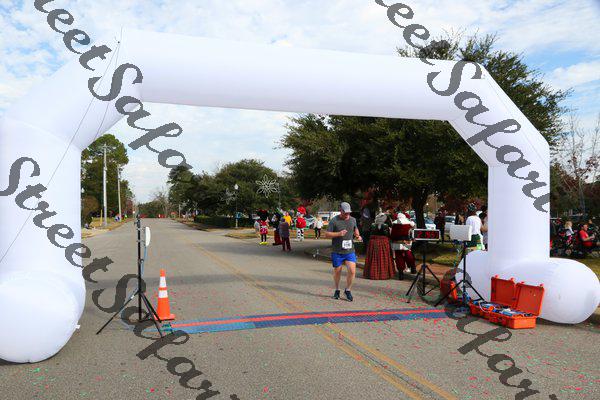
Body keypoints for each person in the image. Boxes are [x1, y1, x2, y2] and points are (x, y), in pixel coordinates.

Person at [326, 202, 362, 301]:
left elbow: (355, 229)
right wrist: (339, 234)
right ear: (340, 211)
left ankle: (348, 290)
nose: (347, 214)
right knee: (338, 271)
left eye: (348, 213)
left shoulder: (353, 220)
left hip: (350, 251)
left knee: (352, 271)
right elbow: (327, 234)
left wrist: (358, 236)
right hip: (337, 251)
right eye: (345, 213)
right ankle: (337, 290)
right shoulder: (334, 221)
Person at [364, 212, 395, 280]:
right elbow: (388, 235)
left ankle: (373, 273)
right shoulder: (385, 226)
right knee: (383, 258)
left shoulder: (372, 225)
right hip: (383, 243)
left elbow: (368, 234)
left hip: (373, 242)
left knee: (374, 257)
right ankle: (383, 274)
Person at [390, 212, 416, 280]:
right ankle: (412, 267)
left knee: (399, 257)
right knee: (408, 255)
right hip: (406, 242)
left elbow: (392, 235)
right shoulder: (409, 225)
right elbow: (412, 232)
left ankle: (401, 273)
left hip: (396, 242)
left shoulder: (394, 225)